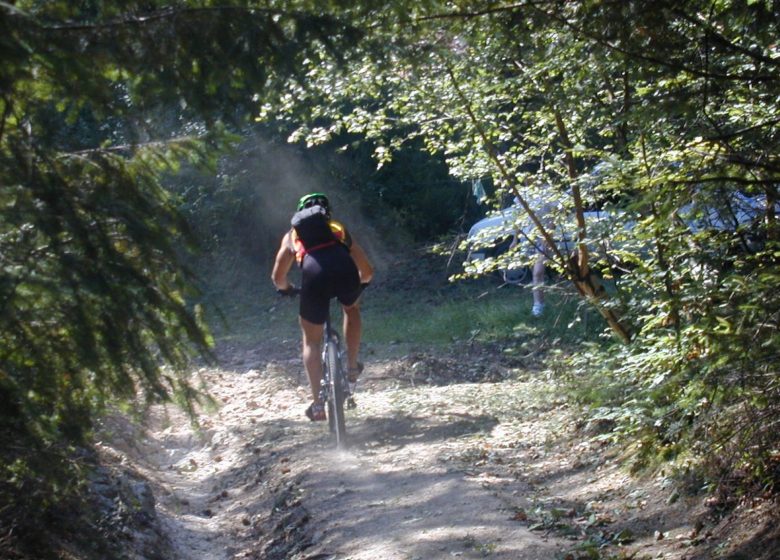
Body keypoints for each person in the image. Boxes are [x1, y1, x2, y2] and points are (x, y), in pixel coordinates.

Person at [271, 193, 373, 422]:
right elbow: (366, 270)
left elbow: (278, 277)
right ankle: (351, 367)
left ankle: (318, 404)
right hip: (345, 272)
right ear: (327, 213)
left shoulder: (293, 235)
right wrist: (361, 284)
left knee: (311, 341)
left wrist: (287, 289)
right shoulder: (337, 228)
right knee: (351, 309)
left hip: (313, 277)